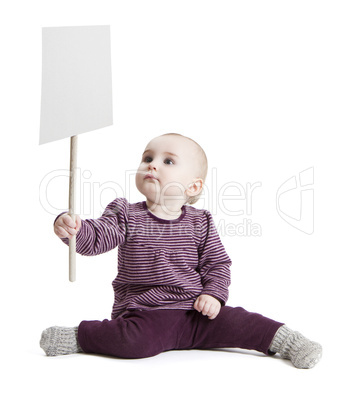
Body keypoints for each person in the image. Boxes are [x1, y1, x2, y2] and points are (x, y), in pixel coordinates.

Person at [40, 133, 322, 368]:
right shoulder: (125, 213)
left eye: (168, 161)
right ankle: (80, 336)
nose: (152, 165)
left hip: (197, 311)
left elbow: (218, 264)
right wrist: (73, 228)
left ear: (193, 185)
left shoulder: (201, 222)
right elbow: (96, 239)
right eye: (147, 158)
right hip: (147, 313)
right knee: (133, 342)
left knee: (245, 322)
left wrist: (213, 294)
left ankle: (289, 341)